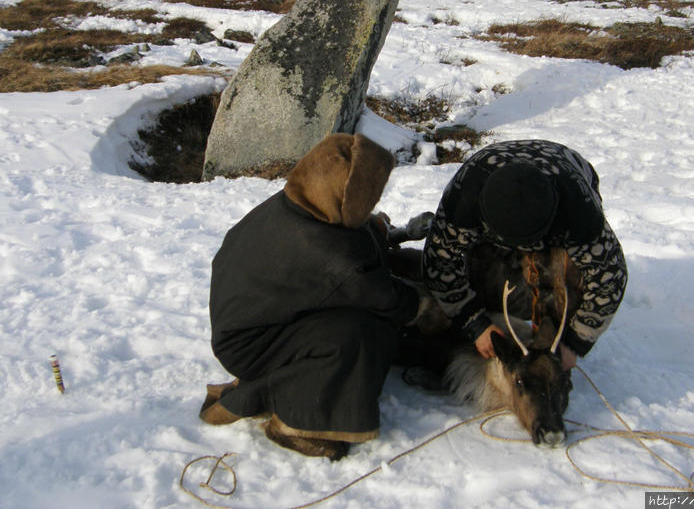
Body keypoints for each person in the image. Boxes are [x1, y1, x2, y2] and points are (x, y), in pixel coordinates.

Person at [200, 133, 420, 461]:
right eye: (368, 195)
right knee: (358, 334)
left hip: (255, 318)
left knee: (362, 318)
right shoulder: (327, 253)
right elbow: (386, 297)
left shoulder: (301, 201)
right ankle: (298, 424)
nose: (374, 201)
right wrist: (427, 304)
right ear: (349, 195)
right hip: (249, 346)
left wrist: (375, 232)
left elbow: (353, 240)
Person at [421, 139, 627, 369]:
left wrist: (575, 342)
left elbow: (609, 279)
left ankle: (548, 345)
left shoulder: (579, 210)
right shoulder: (463, 198)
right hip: (488, 195)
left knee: (566, 271)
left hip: (565, 173)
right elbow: (439, 263)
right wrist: (475, 324)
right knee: (480, 274)